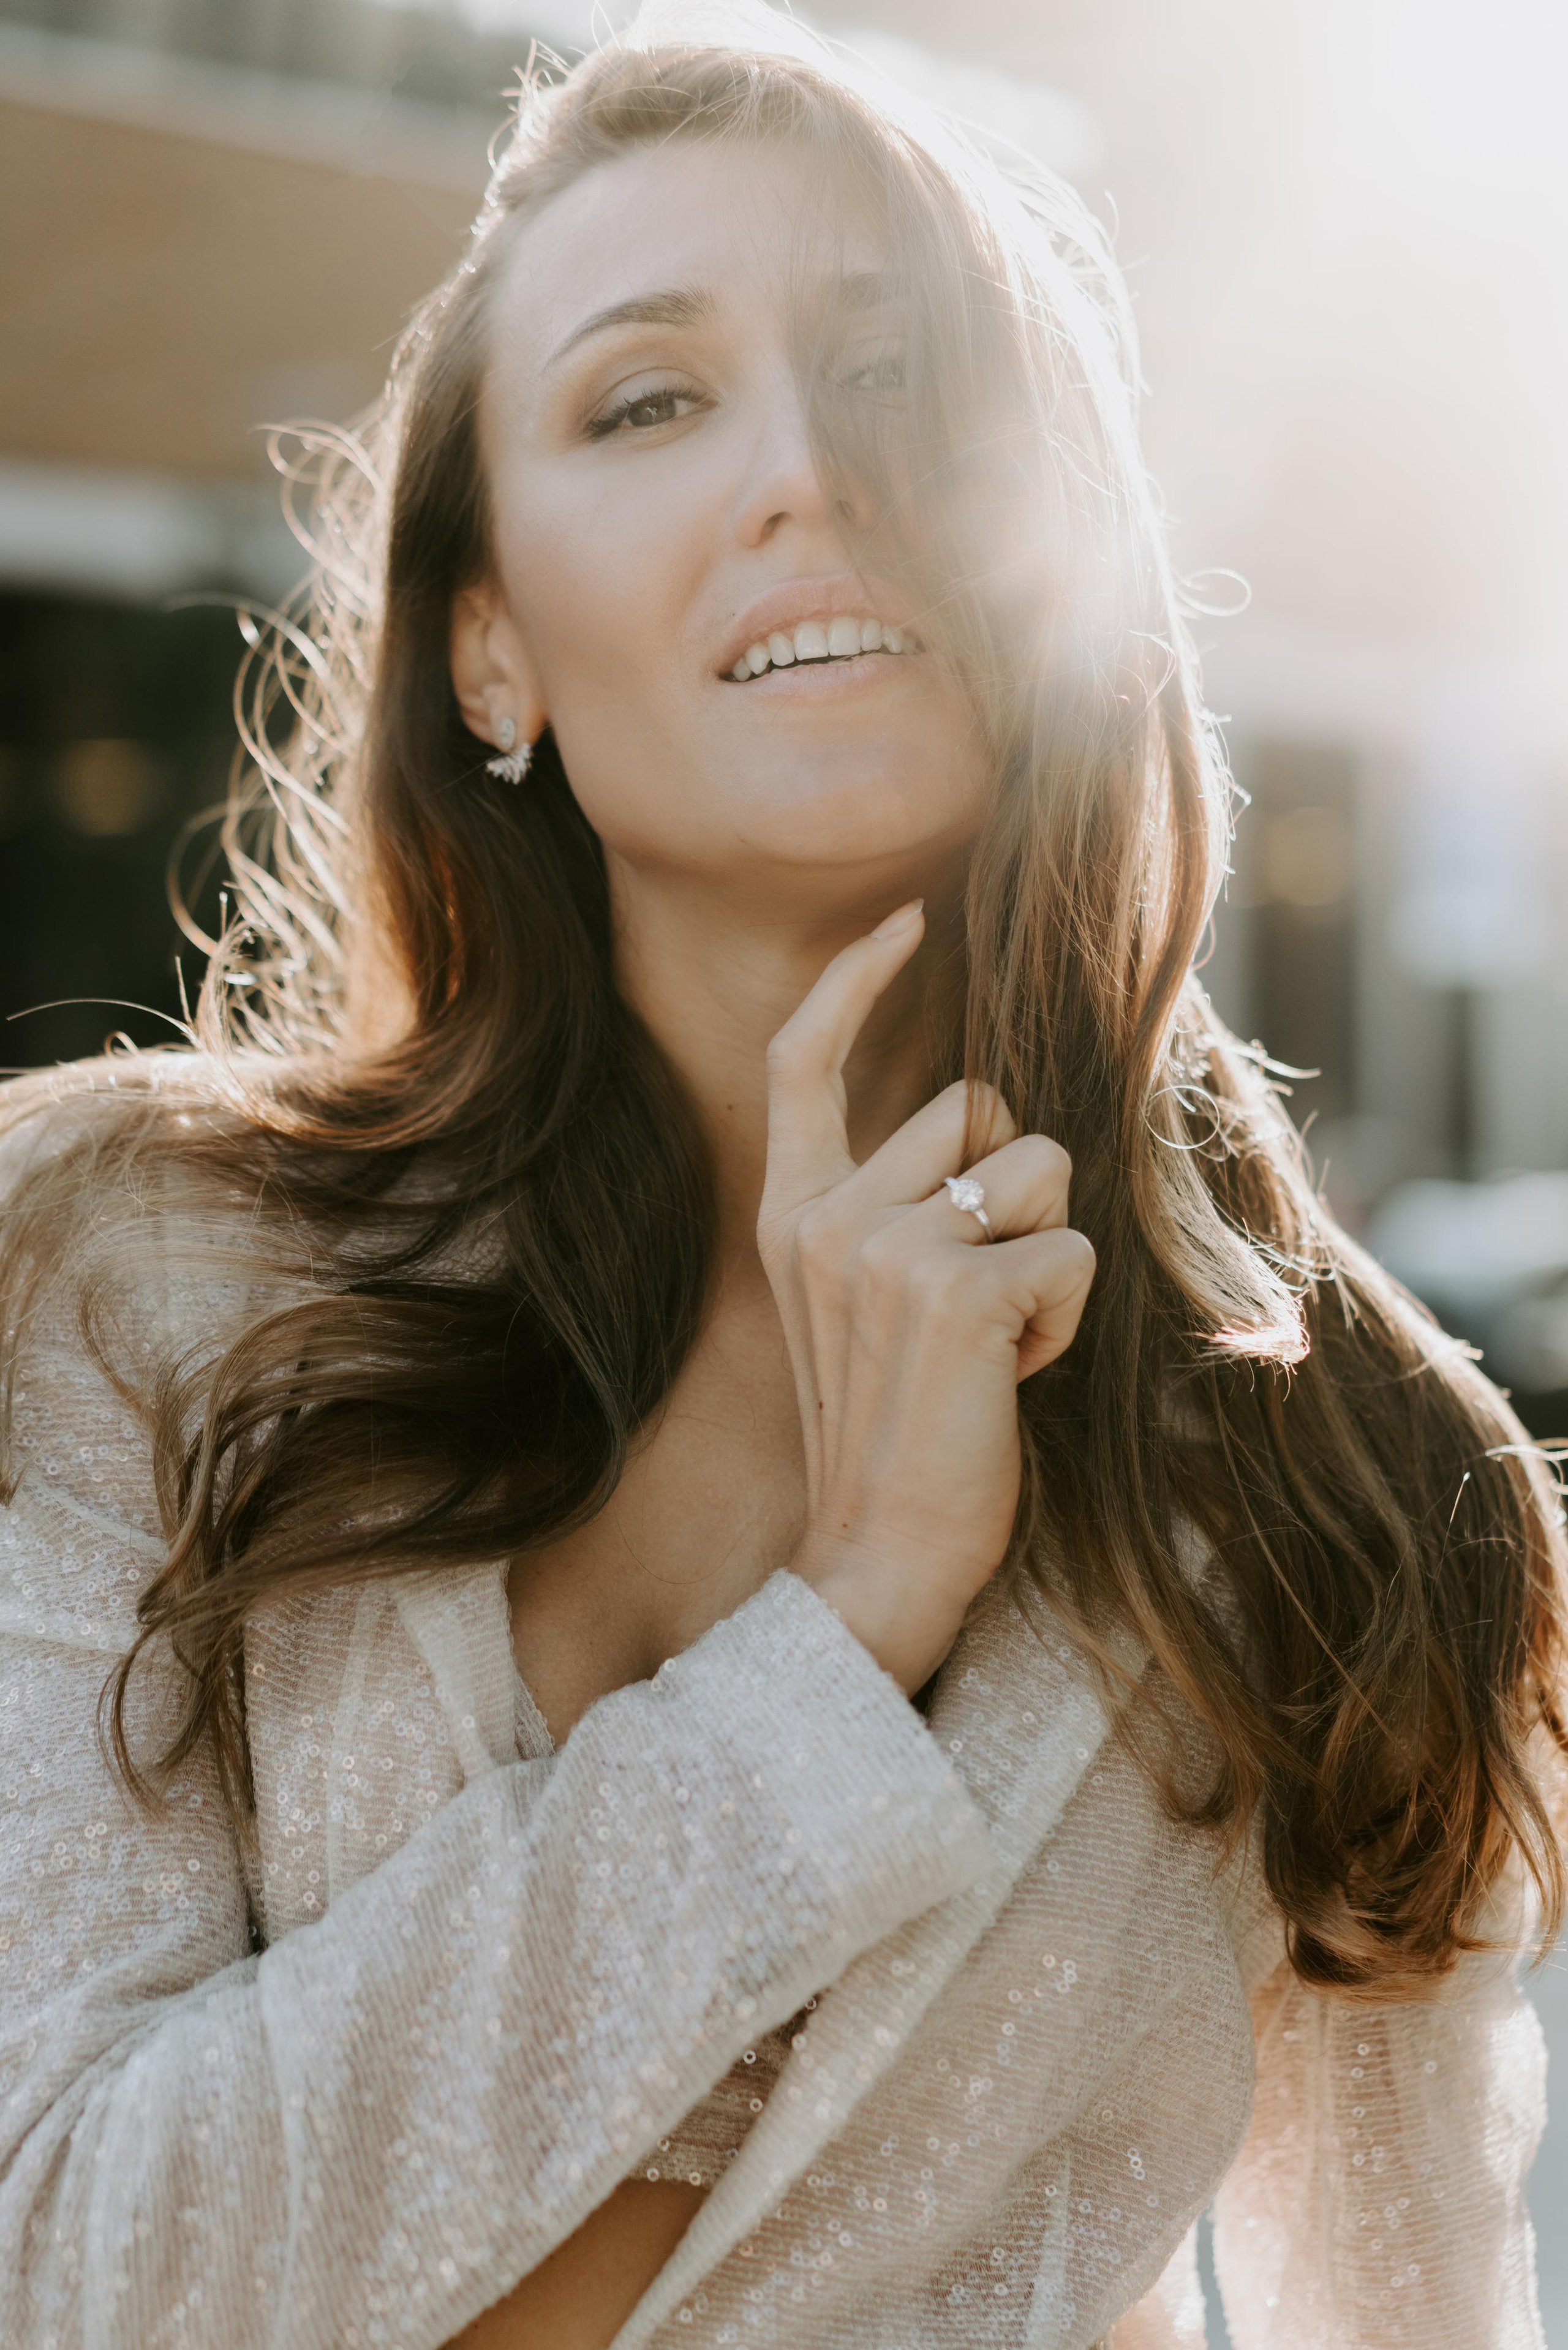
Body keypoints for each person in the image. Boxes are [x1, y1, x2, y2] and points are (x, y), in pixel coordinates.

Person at [0, 8, 1562, 2346]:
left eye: (900, 377)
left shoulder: (1345, 1475)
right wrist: (849, 1626)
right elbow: (65, 2273)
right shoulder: (135, 1285)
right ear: (491, 654)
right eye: (649, 403)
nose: (807, 475)